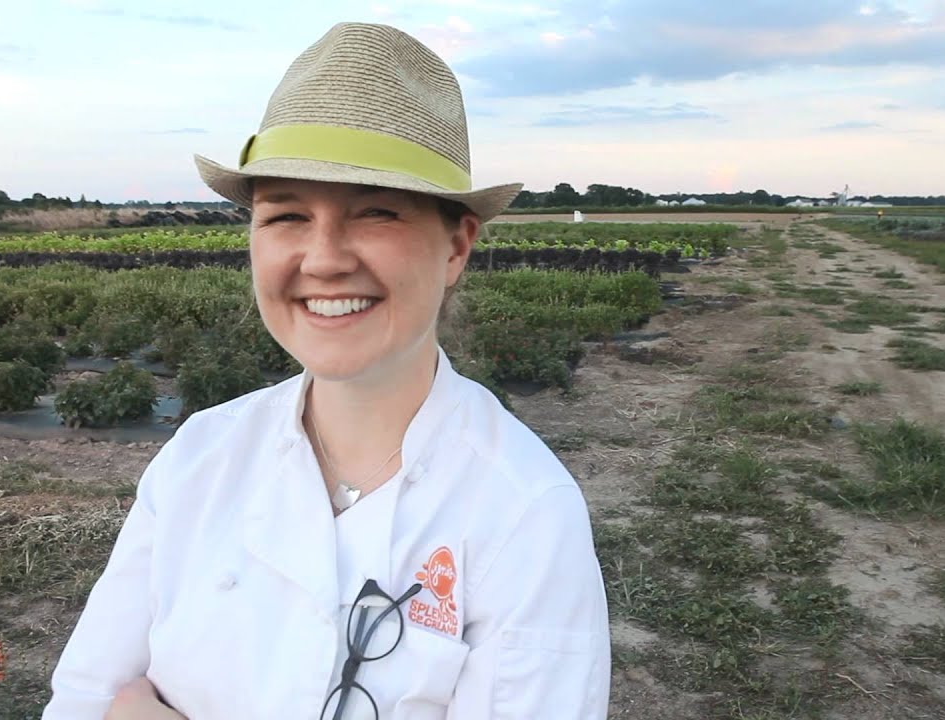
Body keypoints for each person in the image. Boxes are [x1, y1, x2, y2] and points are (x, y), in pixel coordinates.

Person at [42, 21, 610, 720]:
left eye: (375, 212)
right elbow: (81, 701)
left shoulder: (523, 513)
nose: (324, 258)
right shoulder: (199, 456)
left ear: (457, 246)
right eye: (286, 216)